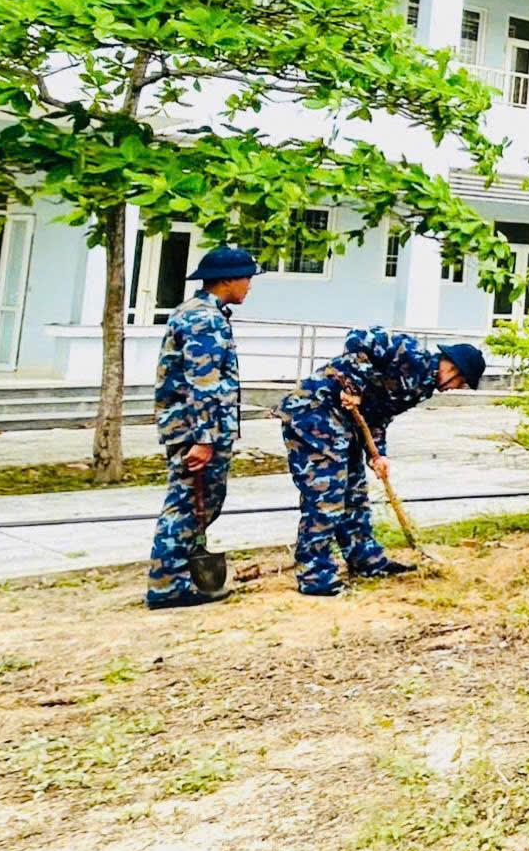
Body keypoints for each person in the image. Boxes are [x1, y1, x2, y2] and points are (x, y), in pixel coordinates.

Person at [279, 328, 483, 596]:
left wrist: (378, 453)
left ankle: (366, 560)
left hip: (346, 425)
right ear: (453, 367)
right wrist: (352, 386)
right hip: (315, 414)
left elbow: (378, 414)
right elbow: (359, 338)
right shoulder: (410, 354)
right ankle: (314, 574)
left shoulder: (422, 387)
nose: (458, 388)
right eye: (462, 382)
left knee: (354, 494)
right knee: (326, 497)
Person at [148, 245, 255, 611]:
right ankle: (168, 586)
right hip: (195, 431)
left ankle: (181, 575)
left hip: (196, 427)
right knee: (186, 505)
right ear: (227, 280)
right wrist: (204, 439)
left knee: (200, 504)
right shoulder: (203, 319)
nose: (249, 286)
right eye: (246, 278)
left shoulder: (203, 313)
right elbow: (203, 381)